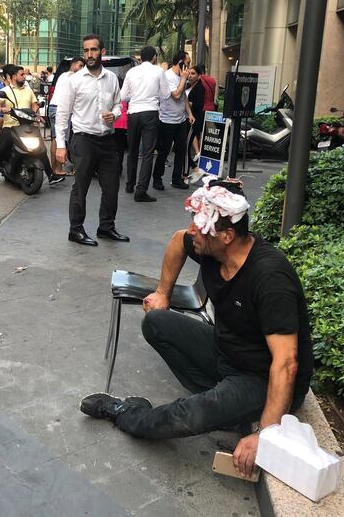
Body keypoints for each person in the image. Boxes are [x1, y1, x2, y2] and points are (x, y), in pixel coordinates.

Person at [79, 178, 313, 479]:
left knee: (187, 416)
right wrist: (163, 293)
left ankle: (128, 413)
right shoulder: (209, 246)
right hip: (226, 353)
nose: (192, 231)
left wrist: (266, 436)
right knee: (156, 322)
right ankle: (223, 406)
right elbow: (178, 240)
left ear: (227, 235)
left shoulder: (270, 279)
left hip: (261, 378)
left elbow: (287, 363)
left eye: (199, 226)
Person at [55, 34, 128, 246]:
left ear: (102, 52)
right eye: (86, 50)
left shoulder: (112, 79)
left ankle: (106, 227)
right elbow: (62, 114)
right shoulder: (74, 80)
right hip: (83, 140)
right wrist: (61, 145)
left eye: (93, 50)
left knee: (112, 186)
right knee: (81, 186)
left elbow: (118, 105)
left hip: (106, 139)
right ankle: (75, 230)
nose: (89, 54)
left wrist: (113, 115)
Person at [0, 65, 64, 187]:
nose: (24, 77)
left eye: (24, 74)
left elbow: (34, 105)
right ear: (14, 77)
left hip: (27, 125)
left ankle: (51, 176)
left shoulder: (28, 90)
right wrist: (2, 108)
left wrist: (37, 112)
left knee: (41, 149)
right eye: (22, 75)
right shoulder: (5, 91)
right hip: (10, 126)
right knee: (2, 150)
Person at [120, 46, 170, 202]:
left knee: (133, 150)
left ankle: (130, 184)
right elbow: (166, 94)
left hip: (133, 113)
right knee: (148, 153)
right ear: (154, 58)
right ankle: (141, 190)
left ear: (141, 58)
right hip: (150, 113)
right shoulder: (158, 72)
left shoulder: (131, 72)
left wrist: (136, 97)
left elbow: (123, 96)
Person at [154, 53, 194, 191]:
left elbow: (183, 98)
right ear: (181, 63)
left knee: (181, 150)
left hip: (181, 120)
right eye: (187, 63)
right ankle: (157, 178)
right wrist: (183, 79)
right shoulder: (168, 76)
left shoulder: (181, 77)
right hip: (167, 120)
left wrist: (189, 113)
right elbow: (176, 95)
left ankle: (176, 179)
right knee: (164, 151)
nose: (188, 67)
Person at [48, 57, 85, 175]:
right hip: (61, 110)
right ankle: (58, 169)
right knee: (61, 138)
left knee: (55, 138)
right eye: (80, 66)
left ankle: (55, 168)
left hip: (53, 107)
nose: (82, 69)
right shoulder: (72, 77)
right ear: (73, 64)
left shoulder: (63, 75)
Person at [186, 67, 206, 184]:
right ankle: (192, 169)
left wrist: (184, 102)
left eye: (193, 74)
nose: (190, 75)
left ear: (199, 76)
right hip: (185, 120)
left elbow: (198, 106)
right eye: (189, 73)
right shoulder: (188, 86)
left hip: (193, 120)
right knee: (184, 146)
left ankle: (195, 169)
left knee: (185, 146)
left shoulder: (199, 88)